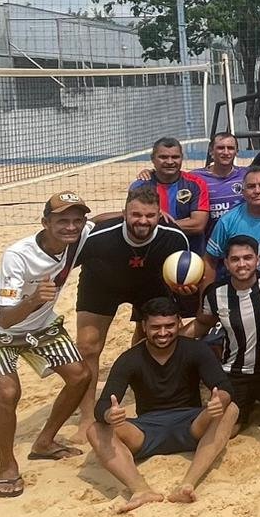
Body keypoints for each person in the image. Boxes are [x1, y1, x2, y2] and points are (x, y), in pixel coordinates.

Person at [0, 192, 94, 497]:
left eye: (77, 220)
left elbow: (102, 221)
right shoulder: (17, 255)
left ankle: (44, 442)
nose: (71, 226)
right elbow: (6, 318)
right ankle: (7, 466)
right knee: (8, 392)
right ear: (45, 223)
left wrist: (134, 212)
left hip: (40, 326)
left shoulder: (79, 236)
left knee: (81, 376)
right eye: (62, 220)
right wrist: (35, 299)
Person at [89, 297, 238, 513]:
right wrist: (108, 414)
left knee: (230, 409)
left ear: (179, 323)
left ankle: (187, 484)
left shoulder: (195, 350)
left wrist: (219, 401)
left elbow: (224, 387)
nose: (163, 333)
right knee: (95, 429)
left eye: (169, 326)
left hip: (191, 425)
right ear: (144, 326)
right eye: (155, 327)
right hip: (146, 431)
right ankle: (140, 490)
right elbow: (102, 404)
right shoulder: (130, 359)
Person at [75, 188, 192, 439]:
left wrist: (182, 288)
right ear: (124, 213)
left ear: (160, 215)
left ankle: (146, 394)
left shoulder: (174, 237)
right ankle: (86, 416)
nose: (143, 221)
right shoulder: (99, 236)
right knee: (88, 346)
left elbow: (180, 277)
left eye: (150, 215)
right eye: (136, 214)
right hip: (101, 283)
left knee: (154, 340)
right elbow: (59, 267)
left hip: (148, 285)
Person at [193, 234, 260, 432]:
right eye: (235, 259)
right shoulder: (215, 293)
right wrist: (172, 337)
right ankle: (248, 405)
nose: (242, 264)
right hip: (235, 372)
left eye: (247, 258)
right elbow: (202, 323)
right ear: (226, 263)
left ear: (258, 260)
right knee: (229, 431)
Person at [130, 136, 210, 246]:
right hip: (152, 250)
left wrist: (155, 224)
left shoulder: (196, 184)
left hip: (188, 251)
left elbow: (198, 225)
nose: (170, 162)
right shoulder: (140, 186)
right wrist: (182, 223)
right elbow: (133, 222)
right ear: (153, 159)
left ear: (182, 158)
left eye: (175, 157)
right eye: (163, 157)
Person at [192, 133, 245, 242]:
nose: (226, 152)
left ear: (237, 152)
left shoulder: (246, 175)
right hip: (208, 243)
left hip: (240, 243)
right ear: (211, 151)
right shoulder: (195, 177)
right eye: (220, 148)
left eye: (230, 148)